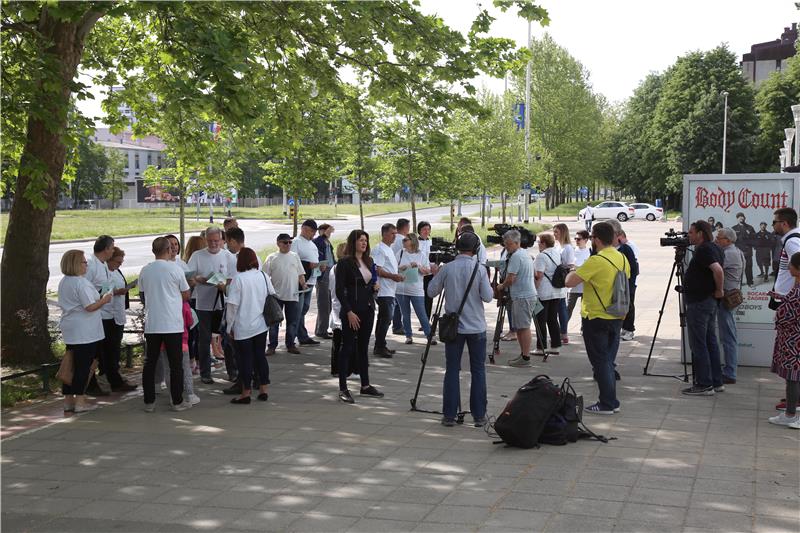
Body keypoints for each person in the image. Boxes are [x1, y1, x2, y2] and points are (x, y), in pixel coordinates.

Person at [427, 231, 493, 427]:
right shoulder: (479, 269)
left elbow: (431, 291)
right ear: (476, 249)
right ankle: (479, 415)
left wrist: (436, 274)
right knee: (478, 371)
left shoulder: (448, 268)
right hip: (476, 327)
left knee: (452, 370)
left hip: (453, 328)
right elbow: (488, 297)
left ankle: (449, 415)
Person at [565, 222, 630, 414]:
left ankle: (607, 403)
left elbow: (570, 282)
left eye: (592, 237)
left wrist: (572, 270)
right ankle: (612, 401)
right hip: (616, 315)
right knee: (608, 360)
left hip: (596, 317)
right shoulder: (622, 258)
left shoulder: (596, 260)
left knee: (600, 361)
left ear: (596, 239)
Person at [139, 237, 192, 412]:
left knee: (150, 363)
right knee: (176, 364)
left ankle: (149, 402)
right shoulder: (175, 269)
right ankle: (177, 401)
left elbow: (142, 294)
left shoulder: (145, 270)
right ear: (169, 249)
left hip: (153, 323)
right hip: (172, 323)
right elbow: (186, 294)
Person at [58, 250, 113, 414]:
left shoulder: (64, 281)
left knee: (70, 363)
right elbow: (89, 306)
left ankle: (68, 400)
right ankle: (80, 400)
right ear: (75, 264)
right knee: (83, 365)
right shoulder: (80, 283)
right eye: (83, 262)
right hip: (85, 330)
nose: (86, 264)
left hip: (71, 327)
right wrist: (104, 300)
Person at [335, 229, 384, 403]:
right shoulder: (345, 263)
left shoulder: (368, 261)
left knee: (363, 347)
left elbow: (366, 284)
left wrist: (373, 287)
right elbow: (340, 290)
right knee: (347, 347)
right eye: (361, 240)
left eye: (366, 240)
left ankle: (365, 385)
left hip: (368, 309)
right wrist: (348, 311)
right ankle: (343, 388)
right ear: (353, 242)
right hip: (352, 311)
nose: (364, 243)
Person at [681, 220, 725, 396]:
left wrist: (720, 290)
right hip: (707, 301)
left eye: (691, 232)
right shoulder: (715, 247)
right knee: (709, 341)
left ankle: (704, 384)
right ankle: (716, 381)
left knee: (698, 343)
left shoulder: (705, 249)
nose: (689, 235)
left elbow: (718, 270)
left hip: (700, 302)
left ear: (700, 233)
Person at [187, 226, 233, 384]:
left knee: (227, 338)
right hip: (203, 303)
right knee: (204, 339)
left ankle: (232, 371)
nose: (214, 244)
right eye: (211, 241)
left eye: (217, 241)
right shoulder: (197, 255)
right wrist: (199, 279)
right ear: (206, 240)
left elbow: (233, 278)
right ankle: (205, 373)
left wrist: (221, 283)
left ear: (222, 240)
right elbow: (190, 277)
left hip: (224, 302)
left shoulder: (228, 256)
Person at [226, 247, 272, 404]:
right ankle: (264, 388)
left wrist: (228, 326)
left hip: (242, 325)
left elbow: (232, 306)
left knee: (245, 360)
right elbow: (272, 293)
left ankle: (246, 392)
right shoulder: (263, 275)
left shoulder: (238, 279)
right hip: (260, 324)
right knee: (260, 357)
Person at [770, 208, 800, 411]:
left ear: (785, 223)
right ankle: (793, 397)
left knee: (791, 355)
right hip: (788, 299)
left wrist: (790, 296)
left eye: (775, 222)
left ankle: (794, 402)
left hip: (792, 304)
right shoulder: (791, 240)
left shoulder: (792, 241)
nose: (773, 225)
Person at [494, 230, 538, 368]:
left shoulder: (516, 256)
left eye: (508, 244)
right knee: (521, 327)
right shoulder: (524, 254)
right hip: (525, 295)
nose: (506, 247)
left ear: (517, 243)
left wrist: (501, 286)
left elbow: (511, 278)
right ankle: (523, 355)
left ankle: (525, 357)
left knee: (523, 327)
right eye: (505, 244)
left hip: (522, 296)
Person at [768, 251, 800, 429]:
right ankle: (789, 414)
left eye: (791, 265)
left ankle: (790, 414)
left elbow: (790, 313)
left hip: (795, 341)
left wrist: (779, 315)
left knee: (794, 378)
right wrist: (780, 298)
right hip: (792, 340)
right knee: (792, 378)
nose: (788, 267)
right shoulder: (797, 286)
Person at [264, 233, 307, 355]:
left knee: (292, 321)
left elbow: (300, 274)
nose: (288, 245)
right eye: (285, 242)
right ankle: (272, 346)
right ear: (278, 243)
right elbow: (265, 276)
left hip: (293, 294)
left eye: (290, 242)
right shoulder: (272, 257)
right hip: (276, 295)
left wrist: (303, 284)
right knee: (274, 322)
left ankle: (290, 344)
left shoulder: (294, 256)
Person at [84, 235, 115, 396]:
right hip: (94, 312)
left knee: (101, 350)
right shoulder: (90, 265)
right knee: (95, 352)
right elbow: (84, 287)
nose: (113, 251)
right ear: (106, 249)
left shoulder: (102, 264)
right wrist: (99, 297)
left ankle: (96, 380)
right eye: (112, 248)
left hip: (103, 311)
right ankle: (89, 383)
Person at [104, 247, 137, 392]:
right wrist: (116, 291)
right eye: (117, 262)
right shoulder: (104, 272)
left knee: (115, 348)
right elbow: (103, 291)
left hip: (118, 313)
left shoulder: (116, 271)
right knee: (110, 349)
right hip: (107, 314)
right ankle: (112, 378)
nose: (120, 265)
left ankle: (114, 375)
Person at [714, 228, 744, 384]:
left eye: (719, 238)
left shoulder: (728, 253)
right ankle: (729, 369)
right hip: (731, 295)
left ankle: (730, 372)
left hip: (726, 297)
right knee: (728, 334)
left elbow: (715, 270)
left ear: (728, 240)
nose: (716, 240)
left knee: (728, 336)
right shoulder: (736, 251)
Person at [395, 233, 435, 345]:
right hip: (401, 288)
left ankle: (429, 335)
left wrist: (418, 266)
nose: (403, 241)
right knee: (405, 314)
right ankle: (408, 336)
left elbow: (427, 271)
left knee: (421, 313)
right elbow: (394, 268)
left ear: (412, 241)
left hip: (416, 289)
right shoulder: (401, 252)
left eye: (406, 239)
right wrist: (401, 268)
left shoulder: (421, 255)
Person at [372, 223, 404, 357]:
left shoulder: (389, 249)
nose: (394, 236)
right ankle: (379, 346)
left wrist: (398, 274)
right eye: (392, 233)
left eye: (396, 233)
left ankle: (381, 344)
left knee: (385, 319)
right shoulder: (380, 249)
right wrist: (393, 276)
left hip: (390, 289)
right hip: (383, 290)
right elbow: (377, 270)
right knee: (386, 318)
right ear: (384, 234)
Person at [291, 219, 323, 346]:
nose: (313, 235)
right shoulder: (296, 242)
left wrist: (320, 266)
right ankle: (295, 337)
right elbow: (293, 261)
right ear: (303, 229)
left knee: (304, 309)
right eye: (311, 231)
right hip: (301, 280)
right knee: (298, 310)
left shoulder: (312, 244)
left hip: (312, 279)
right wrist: (309, 265)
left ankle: (302, 335)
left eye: (314, 232)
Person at [533, 234, 565, 357]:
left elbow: (539, 276)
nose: (538, 244)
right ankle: (555, 346)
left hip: (543, 292)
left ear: (544, 243)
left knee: (540, 320)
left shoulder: (541, 256)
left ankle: (541, 347)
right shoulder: (556, 253)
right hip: (557, 291)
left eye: (539, 242)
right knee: (552, 319)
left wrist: (534, 290)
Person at [608, 221, 639, 342]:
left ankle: (629, 329)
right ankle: (618, 328)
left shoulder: (626, 249)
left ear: (617, 234)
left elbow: (634, 268)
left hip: (626, 284)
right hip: (610, 285)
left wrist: (630, 286)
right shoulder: (603, 249)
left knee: (628, 306)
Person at [183, 235, 206, 375]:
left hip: (193, 299)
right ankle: (194, 360)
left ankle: (194, 360)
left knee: (194, 333)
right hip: (194, 299)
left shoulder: (185, 262)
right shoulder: (192, 261)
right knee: (195, 333)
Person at [553, 223, 575, 345]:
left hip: (561, 281)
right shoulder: (558, 246)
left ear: (562, 232)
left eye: (556, 232)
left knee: (561, 308)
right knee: (559, 307)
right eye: (554, 232)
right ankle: (561, 333)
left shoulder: (567, 248)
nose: (554, 234)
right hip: (556, 281)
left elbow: (570, 265)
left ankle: (564, 333)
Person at [313, 223, 336, 339]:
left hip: (330, 270)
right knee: (324, 304)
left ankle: (321, 328)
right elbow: (318, 246)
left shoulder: (327, 242)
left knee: (329, 303)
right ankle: (321, 330)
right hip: (322, 273)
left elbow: (331, 256)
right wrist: (324, 235)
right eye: (327, 231)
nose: (329, 234)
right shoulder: (318, 241)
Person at [390, 218, 412, 334]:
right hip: (402, 271)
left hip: (393, 270)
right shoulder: (403, 240)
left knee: (397, 300)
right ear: (405, 228)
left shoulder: (393, 239)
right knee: (400, 301)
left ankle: (397, 324)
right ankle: (398, 325)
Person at [328, 243, 347, 376]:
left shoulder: (334, 268)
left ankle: (336, 368)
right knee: (343, 341)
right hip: (341, 308)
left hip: (336, 307)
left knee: (337, 340)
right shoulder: (342, 268)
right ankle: (340, 368)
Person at [566, 230, 591, 324]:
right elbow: (569, 266)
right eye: (575, 238)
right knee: (568, 309)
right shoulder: (572, 251)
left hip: (585, 286)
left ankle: (583, 328)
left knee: (584, 310)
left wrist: (577, 268)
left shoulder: (590, 252)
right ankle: (563, 329)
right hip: (573, 286)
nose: (576, 240)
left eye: (579, 239)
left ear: (586, 240)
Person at [417, 221, 436, 319]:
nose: (426, 231)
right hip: (418, 274)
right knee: (420, 298)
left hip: (430, 274)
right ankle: (421, 318)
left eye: (428, 229)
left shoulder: (432, 243)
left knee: (429, 297)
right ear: (419, 230)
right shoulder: (415, 243)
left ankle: (426, 319)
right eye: (424, 229)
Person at [732, 212, 756, 287]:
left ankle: (750, 282)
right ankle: (739, 282)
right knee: (738, 267)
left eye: (742, 217)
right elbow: (731, 240)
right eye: (739, 217)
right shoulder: (734, 228)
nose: (741, 218)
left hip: (748, 250)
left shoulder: (750, 228)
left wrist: (749, 235)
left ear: (744, 218)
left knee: (748, 267)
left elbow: (754, 239)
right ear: (737, 219)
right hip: (738, 251)